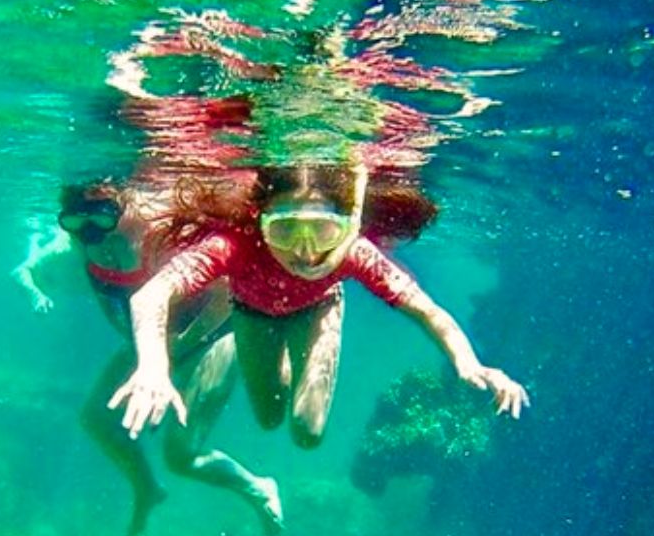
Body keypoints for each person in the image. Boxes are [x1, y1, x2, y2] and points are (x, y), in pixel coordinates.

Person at [109, 162, 529, 448]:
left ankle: (295, 350)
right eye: (286, 230)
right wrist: (152, 366)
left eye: (323, 230)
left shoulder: (354, 254)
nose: (305, 252)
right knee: (269, 417)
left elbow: (427, 311)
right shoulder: (234, 246)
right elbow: (153, 293)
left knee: (308, 433)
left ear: (346, 227)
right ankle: (277, 357)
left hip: (318, 310)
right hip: (251, 313)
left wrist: (469, 363)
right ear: (260, 222)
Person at [12, 180, 283, 536]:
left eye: (105, 219)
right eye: (76, 223)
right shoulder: (77, 246)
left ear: (123, 213)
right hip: (153, 342)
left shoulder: (157, 238)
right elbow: (26, 270)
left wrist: (177, 351)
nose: (94, 233)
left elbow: (226, 295)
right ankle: (147, 489)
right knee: (95, 421)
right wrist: (33, 294)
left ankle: (256, 487)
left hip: (215, 334)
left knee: (180, 455)